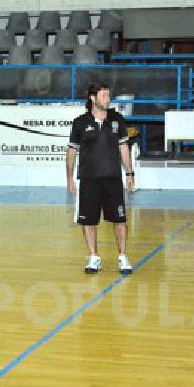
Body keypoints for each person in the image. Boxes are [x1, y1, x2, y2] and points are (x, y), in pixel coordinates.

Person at [66, 83, 136, 275]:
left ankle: (122, 257)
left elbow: (124, 148)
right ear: (93, 98)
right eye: (104, 95)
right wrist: (69, 179)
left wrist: (130, 173)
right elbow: (72, 151)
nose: (108, 98)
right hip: (89, 179)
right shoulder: (80, 122)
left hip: (113, 178)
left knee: (120, 220)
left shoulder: (117, 120)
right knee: (88, 221)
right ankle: (93, 257)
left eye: (108, 95)